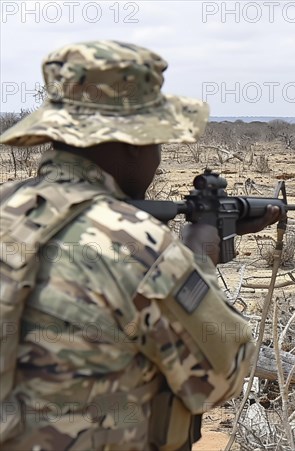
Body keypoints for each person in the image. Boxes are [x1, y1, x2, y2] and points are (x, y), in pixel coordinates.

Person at [0, 40, 279, 450]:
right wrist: (198, 257)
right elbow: (225, 377)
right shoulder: (137, 245)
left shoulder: (9, 207)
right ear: (134, 143)